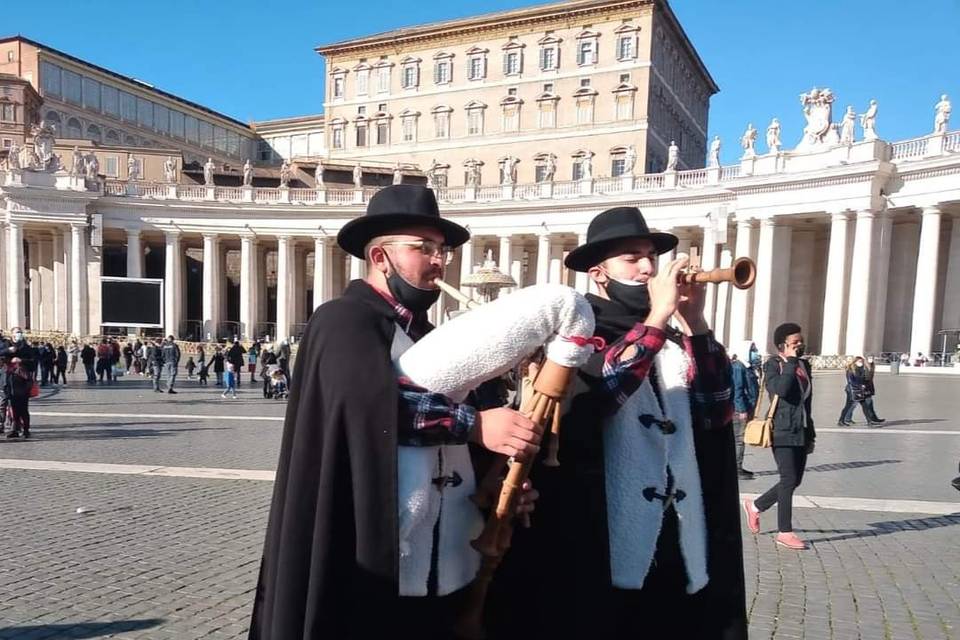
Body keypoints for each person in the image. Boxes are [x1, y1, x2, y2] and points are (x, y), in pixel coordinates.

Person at [249, 184, 540, 638]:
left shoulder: (431, 333)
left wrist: (495, 477)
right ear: (381, 257)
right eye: (424, 248)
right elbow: (368, 407)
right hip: (377, 562)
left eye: (442, 249)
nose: (440, 261)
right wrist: (475, 425)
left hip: (448, 563)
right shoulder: (342, 318)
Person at [521, 206, 745, 639]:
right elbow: (598, 396)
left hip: (679, 530)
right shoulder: (578, 326)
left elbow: (716, 414)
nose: (647, 268)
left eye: (651, 257)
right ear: (598, 272)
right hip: (601, 534)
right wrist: (657, 317)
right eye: (631, 257)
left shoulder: (673, 335)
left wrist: (694, 322)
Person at [743, 322, 815, 551]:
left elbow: (807, 401)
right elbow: (781, 391)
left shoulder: (805, 365)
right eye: (795, 343)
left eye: (801, 341)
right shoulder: (773, 364)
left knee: (795, 480)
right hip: (781, 429)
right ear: (782, 346)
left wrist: (810, 433)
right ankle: (785, 531)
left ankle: (755, 506)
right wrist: (791, 362)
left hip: (800, 429)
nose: (800, 346)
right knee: (787, 479)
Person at [730, 340, 761, 479]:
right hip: (739, 410)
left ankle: (737, 466)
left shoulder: (747, 367)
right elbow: (737, 389)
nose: (756, 353)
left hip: (747, 407)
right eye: (752, 350)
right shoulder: (738, 367)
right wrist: (741, 409)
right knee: (739, 439)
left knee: (740, 438)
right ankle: (736, 468)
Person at [838, 356, 885, 426]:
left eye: (862, 361)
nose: (861, 363)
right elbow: (850, 381)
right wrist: (860, 385)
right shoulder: (850, 369)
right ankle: (841, 421)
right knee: (848, 406)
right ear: (855, 362)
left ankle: (869, 422)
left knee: (865, 406)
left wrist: (871, 364)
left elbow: (868, 376)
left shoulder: (862, 369)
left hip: (860, 390)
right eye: (859, 362)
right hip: (852, 391)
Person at [3, 357, 33, 439]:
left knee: (23, 413)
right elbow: (7, 383)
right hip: (13, 395)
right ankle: (15, 430)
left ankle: (26, 430)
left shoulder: (21, 370)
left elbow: (29, 382)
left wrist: (24, 392)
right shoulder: (10, 371)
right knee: (15, 414)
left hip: (21, 396)